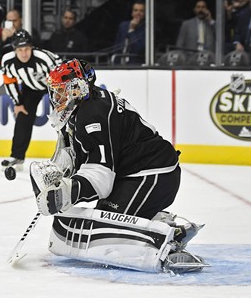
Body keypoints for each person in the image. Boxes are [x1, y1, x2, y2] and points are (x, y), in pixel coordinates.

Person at [28, 59, 206, 273]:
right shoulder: (82, 109)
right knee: (102, 220)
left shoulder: (92, 113)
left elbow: (101, 176)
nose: (57, 98)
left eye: (62, 91)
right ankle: (164, 226)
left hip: (152, 174)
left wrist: (67, 192)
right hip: (136, 174)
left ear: (78, 89)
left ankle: (168, 250)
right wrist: (60, 178)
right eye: (55, 92)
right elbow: (78, 157)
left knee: (104, 233)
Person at [0, 30, 62, 170]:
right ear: (14, 49)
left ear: (32, 47)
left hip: (55, 88)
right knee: (23, 117)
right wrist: (18, 103)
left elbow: (61, 79)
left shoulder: (44, 58)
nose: (24, 53)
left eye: (27, 49)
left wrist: (62, 102)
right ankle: (17, 156)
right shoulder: (7, 60)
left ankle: (71, 154)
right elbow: (9, 82)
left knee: (64, 119)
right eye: (20, 50)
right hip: (31, 88)